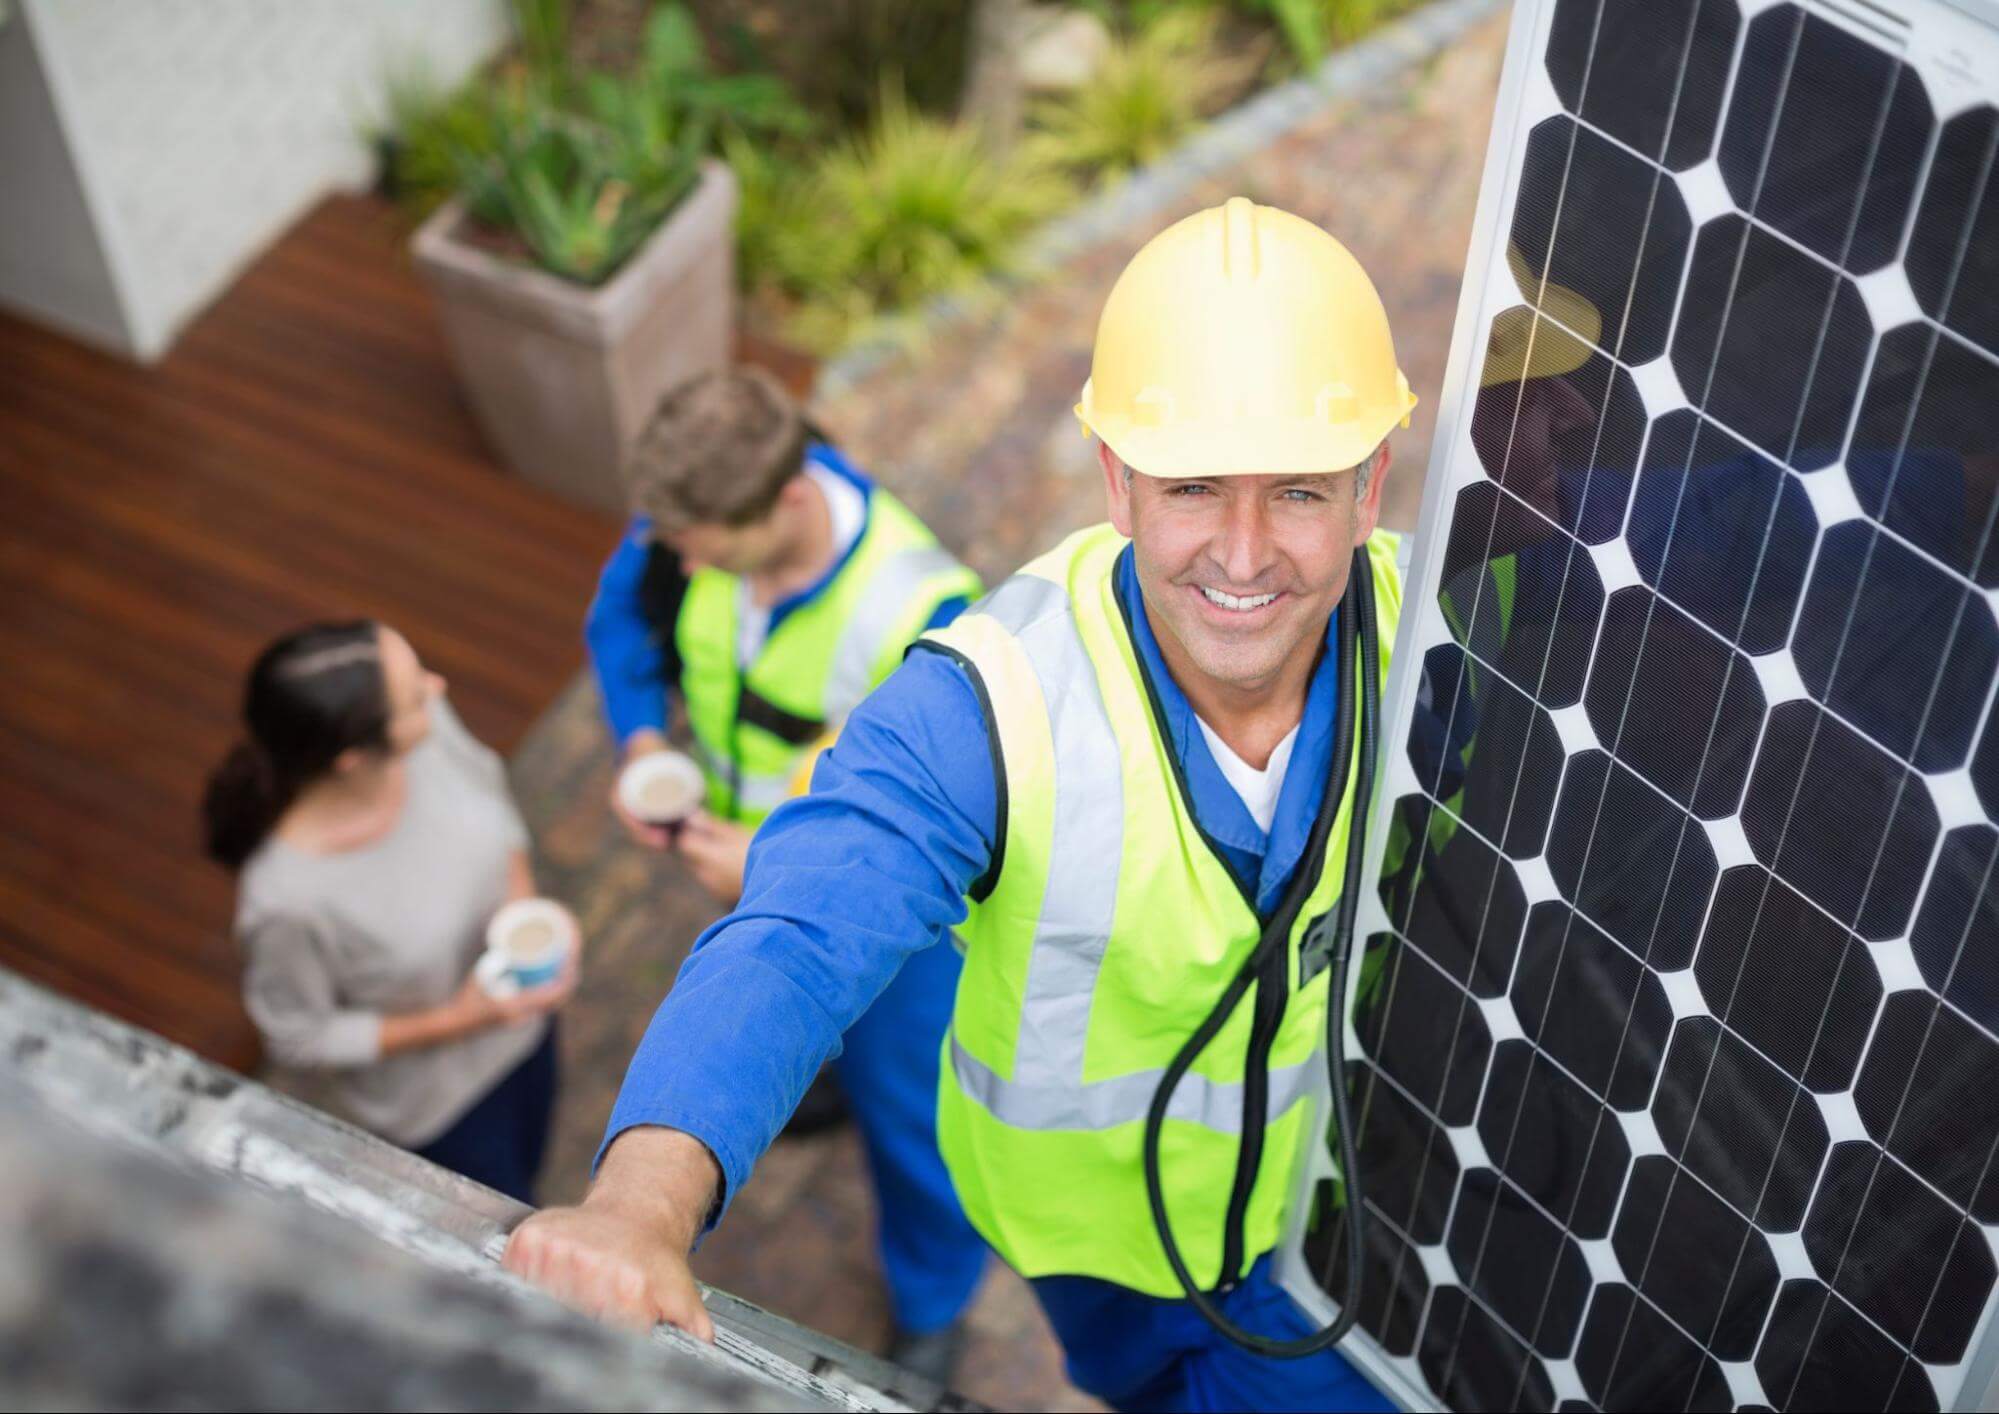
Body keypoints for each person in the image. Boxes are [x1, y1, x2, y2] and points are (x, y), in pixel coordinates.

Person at [510, 198, 1414, 1411]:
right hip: (1093, 1245)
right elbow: (797, 936)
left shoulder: (1446, 639)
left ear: (1372, 488)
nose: (1243, 555)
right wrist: (636, 1206)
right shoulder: (987, 702)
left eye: (1300, 492)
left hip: (1331, 1225)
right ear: (1117, 483)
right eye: (1193, 486)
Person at [581, 367, 990, 1376]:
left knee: (919, 1121)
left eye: (701, 547)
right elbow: (623, 619)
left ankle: (934, 1300)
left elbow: (937, 822)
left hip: (899, 930)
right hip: (749, 863)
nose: (680, 559)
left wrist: (767, 869)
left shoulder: (924, 612)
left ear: (791, 498)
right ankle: (824, 1074)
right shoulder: (696, 516)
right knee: (802, 1030)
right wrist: (639, 740)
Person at [202, 621, 576, 1205]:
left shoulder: (425, 733)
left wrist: (526, 913)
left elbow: (487, 789)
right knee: (506, 1215)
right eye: (415, 695)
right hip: (439, 1110)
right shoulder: (286, 901)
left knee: (535, 1148)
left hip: (525, 1031)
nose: (439, 686)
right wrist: (461, 1018)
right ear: (353, 758)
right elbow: (300, 1037)